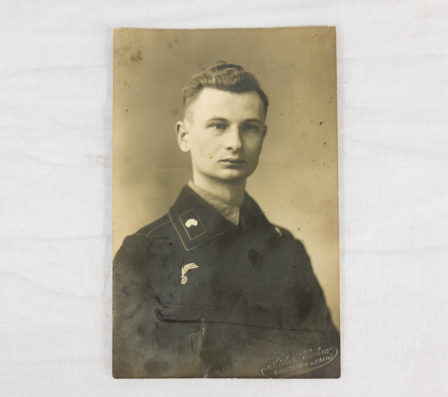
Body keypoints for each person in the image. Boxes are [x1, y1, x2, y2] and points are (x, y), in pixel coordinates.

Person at [113, 62, 340, 378]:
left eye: (250, 127)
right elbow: (133, 376)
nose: (235, 143)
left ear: (263, 136)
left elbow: (326, 365)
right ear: (184, 136)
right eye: (218, 125)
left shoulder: (287, 250)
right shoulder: (143, 252)